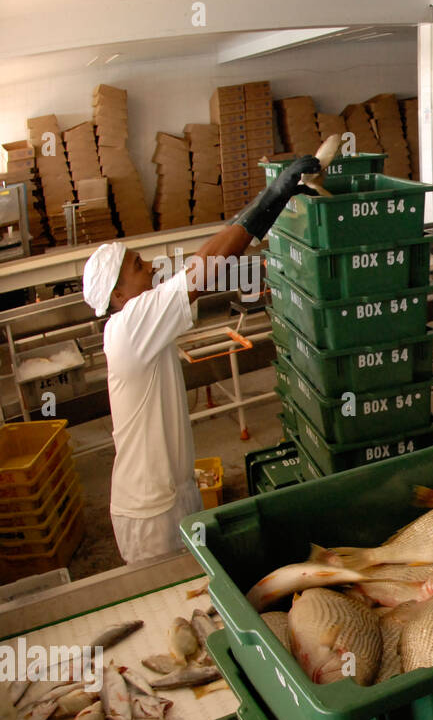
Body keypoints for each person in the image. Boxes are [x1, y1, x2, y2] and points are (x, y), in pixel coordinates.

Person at [83, 155, 321, 564]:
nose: (152, 268)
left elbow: (212, 257)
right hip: (149, 512)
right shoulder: (127, 327)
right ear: (117, 296)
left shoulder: (136, 327)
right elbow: (201, 270)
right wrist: (269, 196)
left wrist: (269, 208)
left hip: (170, 495)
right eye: (139, 267)